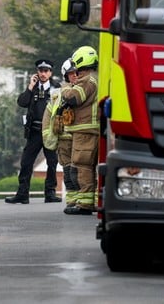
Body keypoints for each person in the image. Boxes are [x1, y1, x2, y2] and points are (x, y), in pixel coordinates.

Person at [6, 58, 61, 204]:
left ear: (50, 73)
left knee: (52, 162)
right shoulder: (33, 88)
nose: (43, 74)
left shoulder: (56, 88)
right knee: (26, 162)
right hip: (35, 131)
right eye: (40, 71)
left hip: (49, 131)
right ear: (37, 72)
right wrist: (30, 86)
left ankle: (50, 193)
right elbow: (22, 102)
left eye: (46, 71)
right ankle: (22, 194)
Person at [59, 46, 99, 215]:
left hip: (85, 131)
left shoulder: (87, 80)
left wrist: (65, 88)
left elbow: (74, 97)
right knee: (87, 166)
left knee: (82, 166)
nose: (75, 69)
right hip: (88, 130)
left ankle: (84, 205)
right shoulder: (94, 78)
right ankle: (88, 202)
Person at [42, 59, 79, 210]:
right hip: (64, 139)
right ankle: (71, 201)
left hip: (81, 138)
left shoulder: (85, 91)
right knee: (68, 171)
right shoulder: (57, 94)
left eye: (77, 73)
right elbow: (48, 116)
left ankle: (84, 200)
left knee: (82, 171)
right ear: (66, 76)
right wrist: (49, 138)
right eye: (71, 74)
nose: (75, 76)